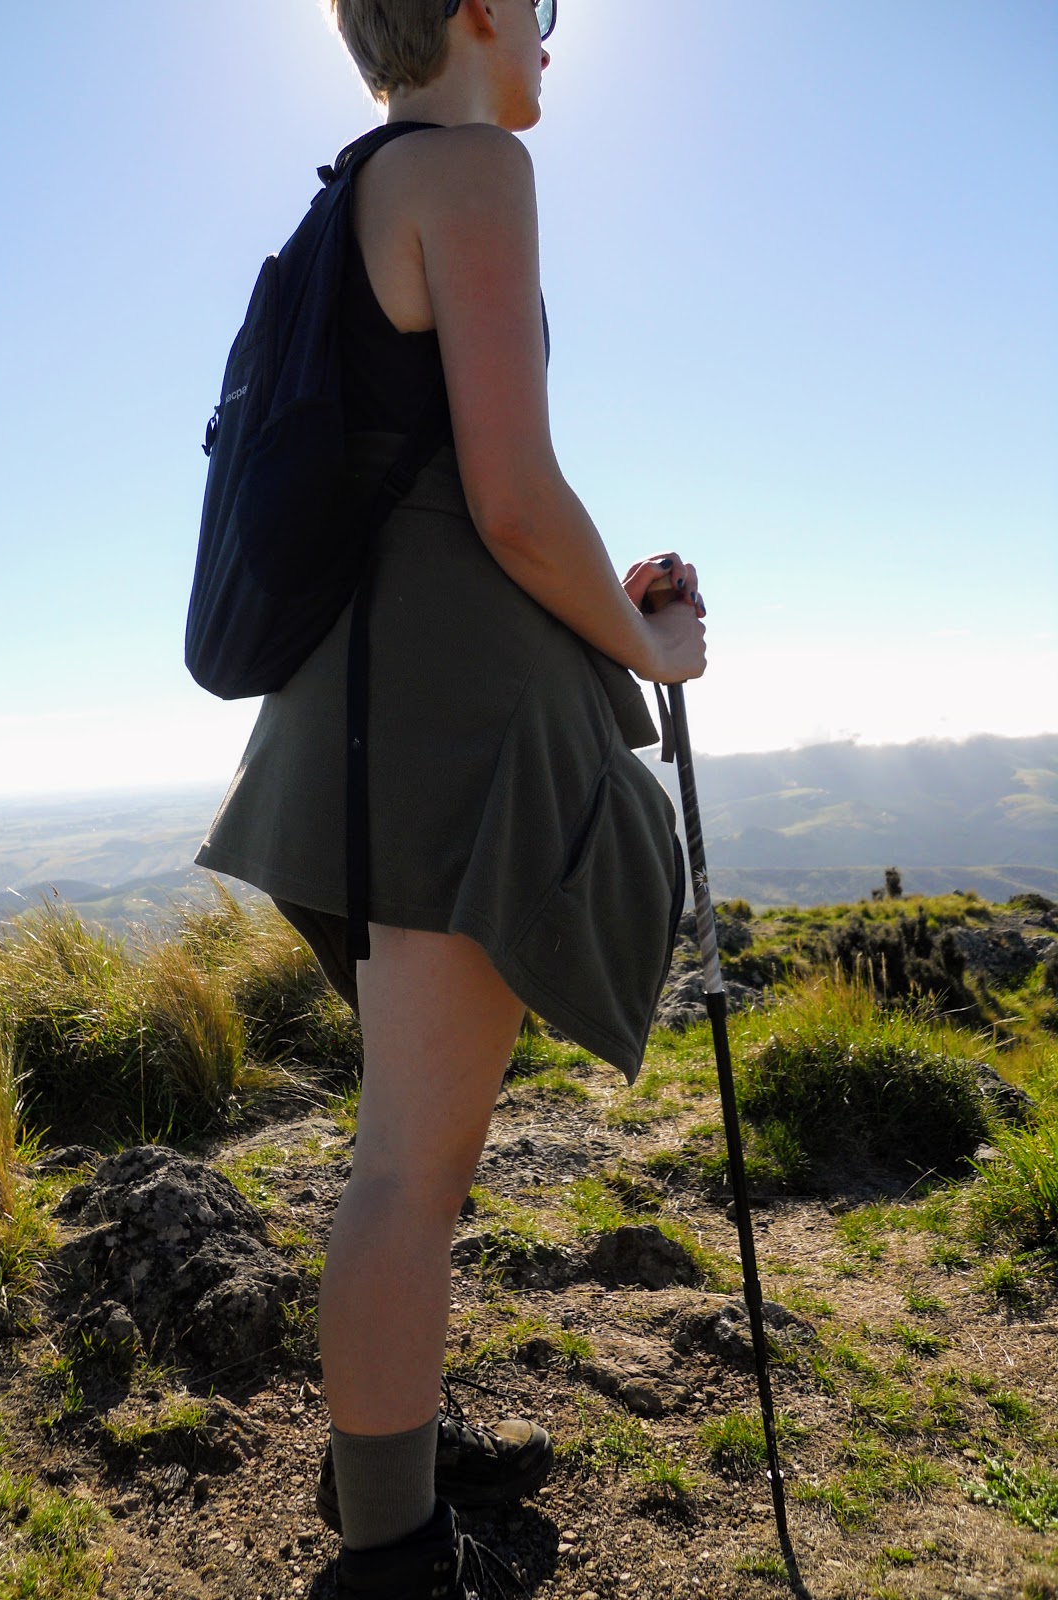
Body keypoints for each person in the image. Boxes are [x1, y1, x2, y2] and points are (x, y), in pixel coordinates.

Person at [195, 0, 707, 1593]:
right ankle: (396, 1554)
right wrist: (654, 648)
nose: (552, 36)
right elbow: (510, 493)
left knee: (411, 1157)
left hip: (345, 747)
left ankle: (392, 1449)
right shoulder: (469, 167)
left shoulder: (344, 195)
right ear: (479, 8)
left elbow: (434, 488)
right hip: (436, 759)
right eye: (544, 7)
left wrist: (595, 606)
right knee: (410, 1174)